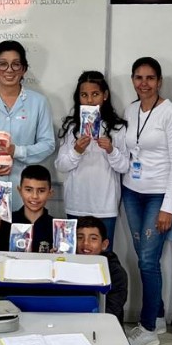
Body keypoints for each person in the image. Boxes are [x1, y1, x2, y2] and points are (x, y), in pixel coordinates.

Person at [121, 57, 172, 345]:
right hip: (131, 191)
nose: (143, 83)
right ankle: (157, 316)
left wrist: (168, 206)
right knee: (142, 257)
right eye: (138, 77)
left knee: (148, 261)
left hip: (159, 194)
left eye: (150, 78)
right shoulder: (131, 110)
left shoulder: (171, 114)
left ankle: (147, 328)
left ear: (159, 81)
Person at [0, 40, 55, 207]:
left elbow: (48, 144)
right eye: (2, 64)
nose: (9, 70)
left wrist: (18, 151)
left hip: (26, 190)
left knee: (22, 232)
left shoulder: (38, 102)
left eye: (16, 64)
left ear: (24, 69)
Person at [55, 71, 129, 243]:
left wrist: (111, 150)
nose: (89, 100)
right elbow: (61, 166)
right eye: (84, 95)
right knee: (74, 256)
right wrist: (76, 151)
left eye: (95, 94)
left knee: (103, 256)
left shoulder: (117, 128)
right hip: (76, 203)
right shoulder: (72, 127)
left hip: (105, 206)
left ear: (105, 96)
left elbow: (124, 166)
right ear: (78, 98)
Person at [0, 165, 56, 253]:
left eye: (41, 191)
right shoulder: (5, 222)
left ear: (50, 193)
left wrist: (56, 257)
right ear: (20, 191)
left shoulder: (56, 227)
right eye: (28, 190)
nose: (34, 196)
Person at [74, 216, 127, 325]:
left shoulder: (116, 272)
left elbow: (111, 312)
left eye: (93, 238)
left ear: (104, 244)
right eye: (80, 237)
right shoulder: (65, 265)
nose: (85, 244)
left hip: (102, 327)